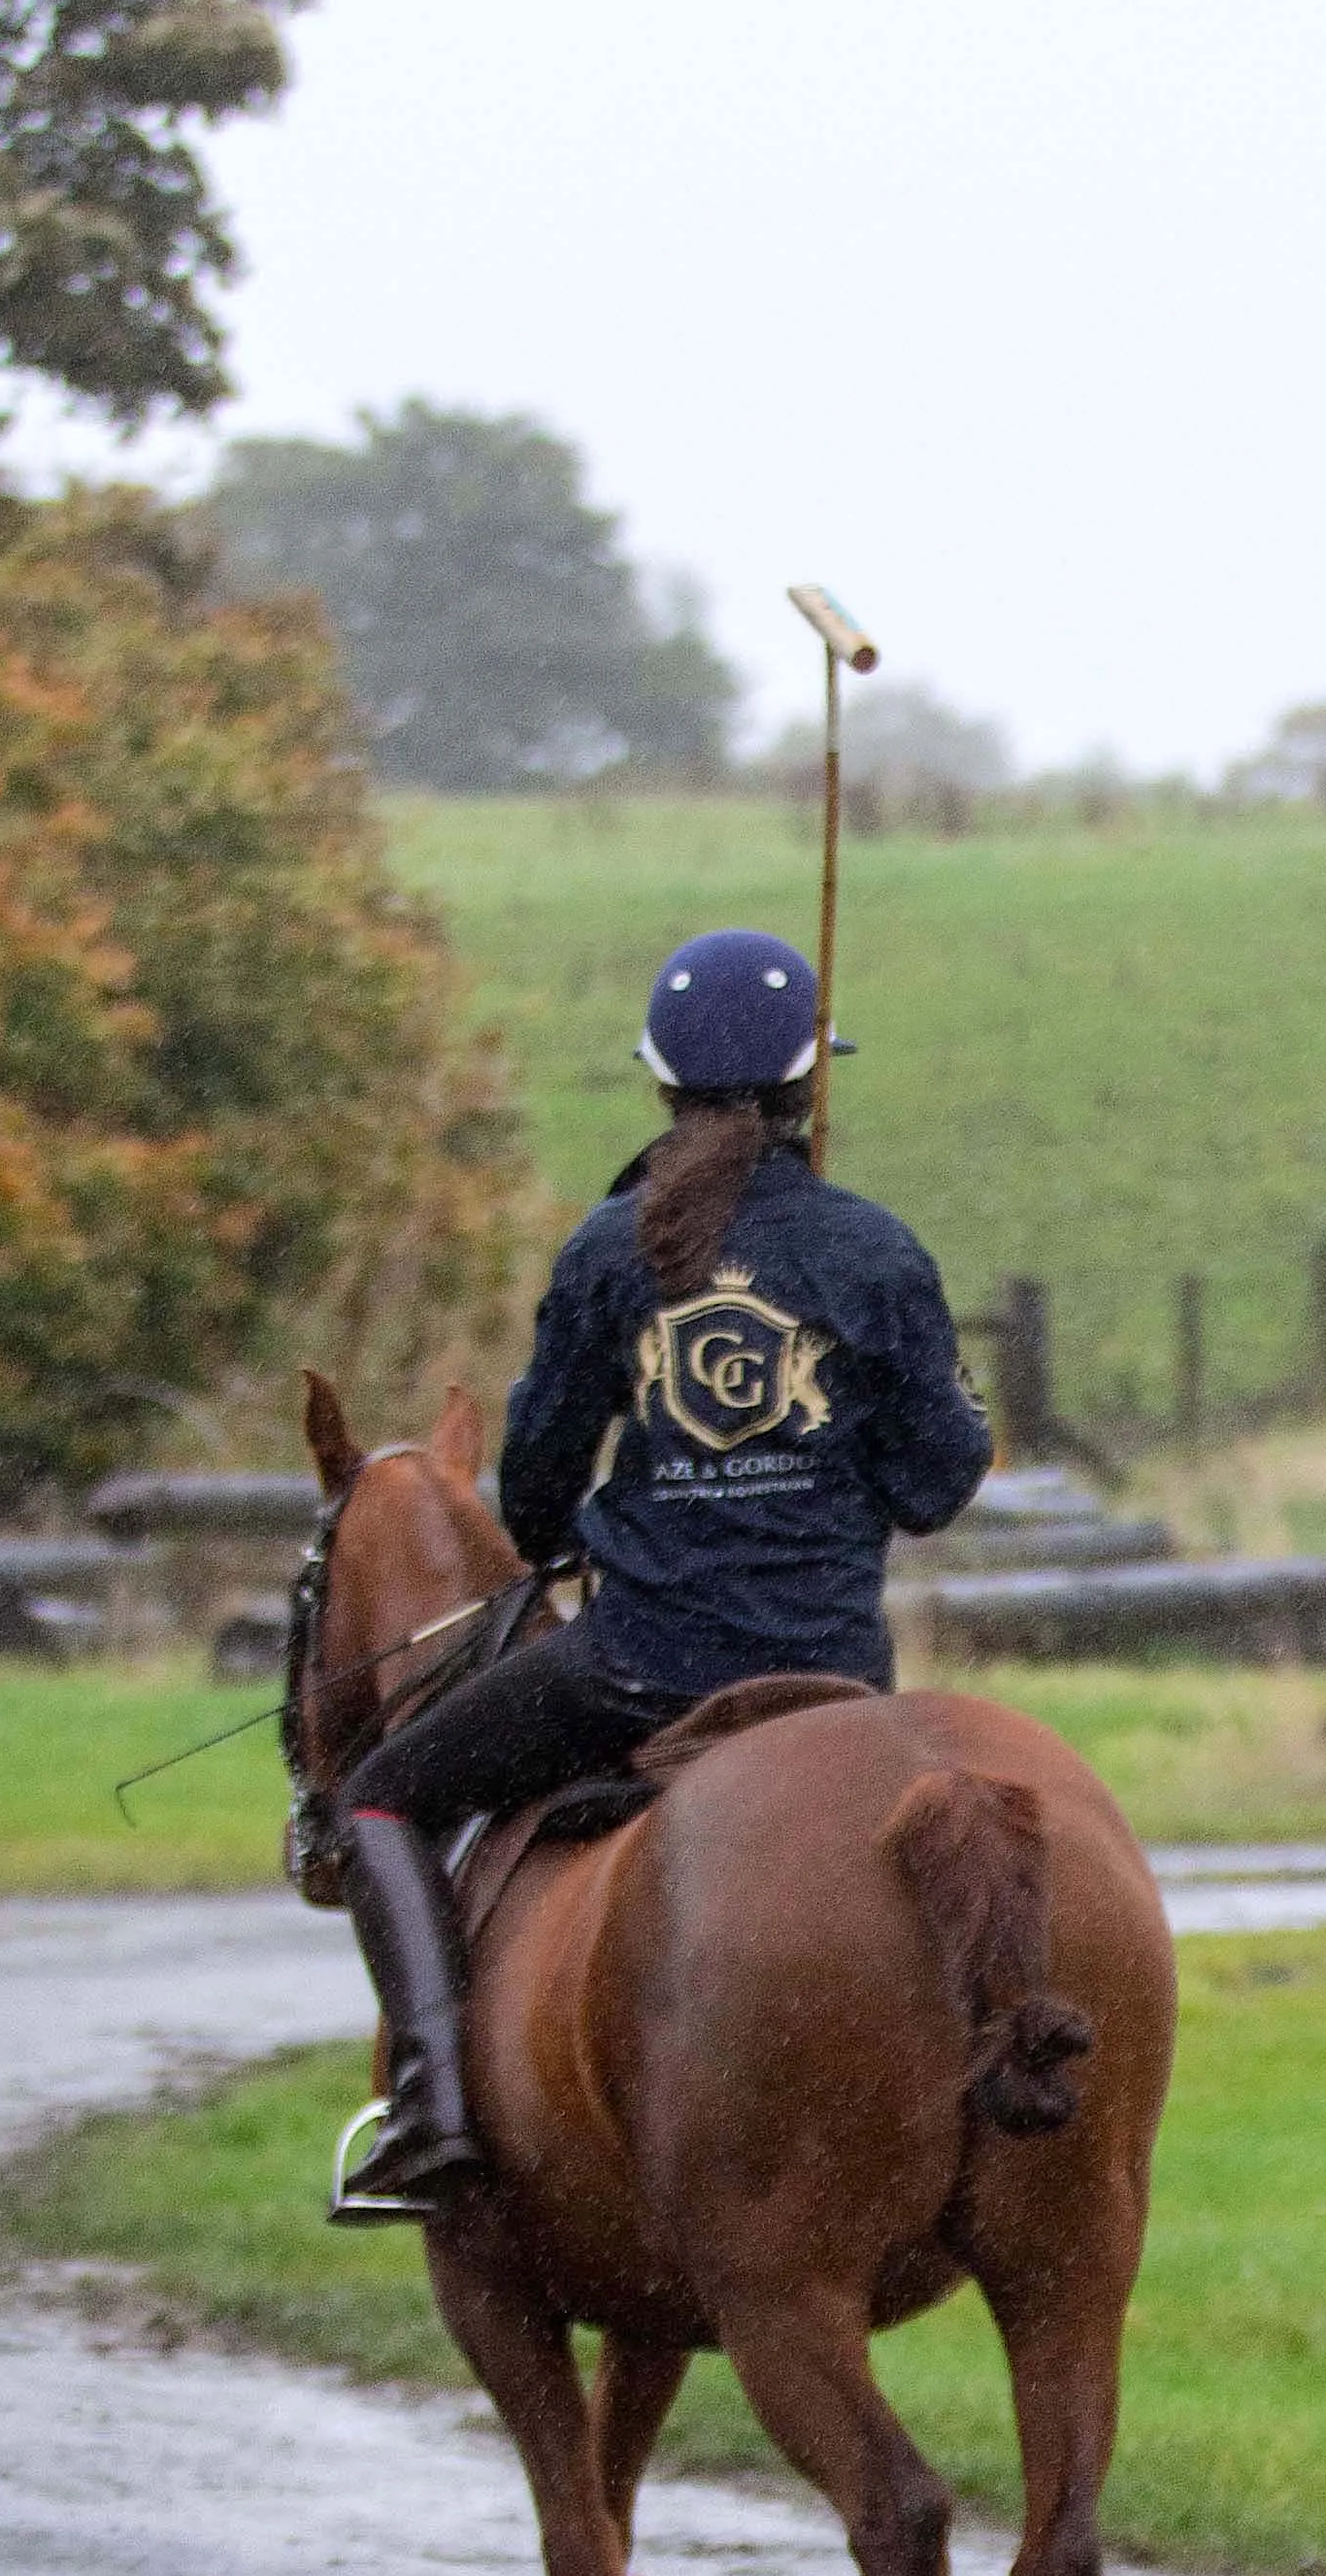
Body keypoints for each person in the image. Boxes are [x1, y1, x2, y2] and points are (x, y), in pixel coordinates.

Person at [327, 926, 991, 2217]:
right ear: (810, 1083)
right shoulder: (875, 1252)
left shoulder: (602, 1252)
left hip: (637, 1672)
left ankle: (433, 2115)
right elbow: (935, 1482)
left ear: (659, 1083)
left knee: (379, 1800)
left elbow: (532, 1489)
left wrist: (605, 1519)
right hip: (835, 1682)